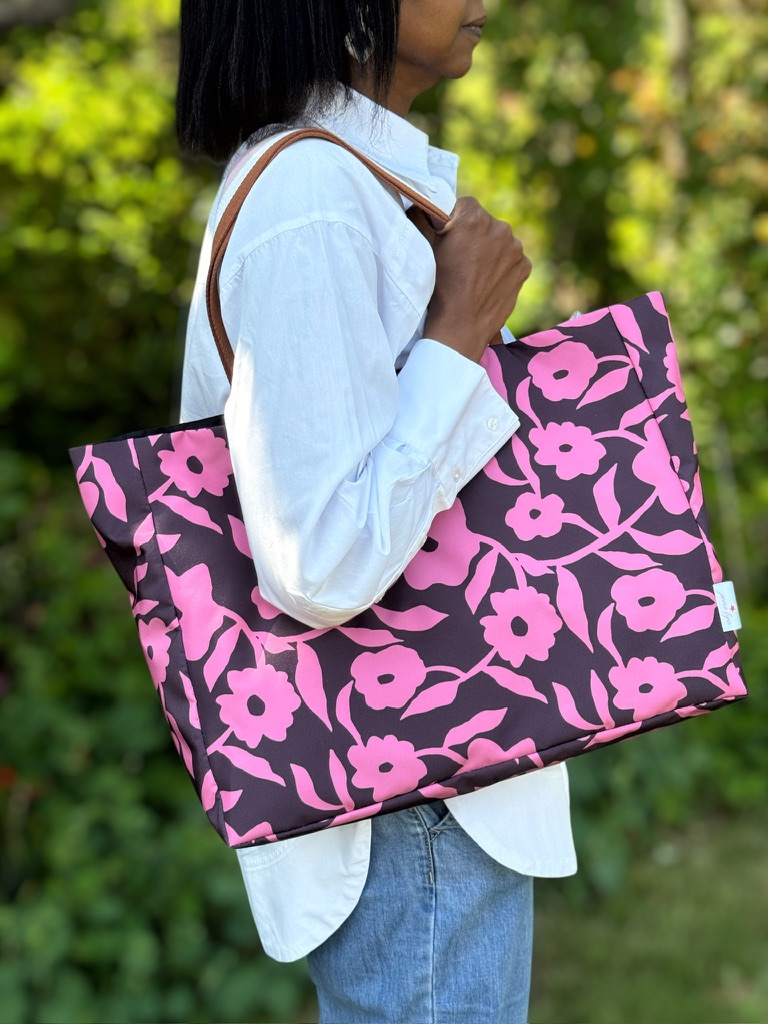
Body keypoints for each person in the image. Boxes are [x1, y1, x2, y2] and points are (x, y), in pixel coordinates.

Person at [177, 2, 576, 1021]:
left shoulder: (352, 183)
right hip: (411, 793)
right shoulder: (311, 195)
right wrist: (459, 333)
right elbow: (316, 560)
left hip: (433, 771)